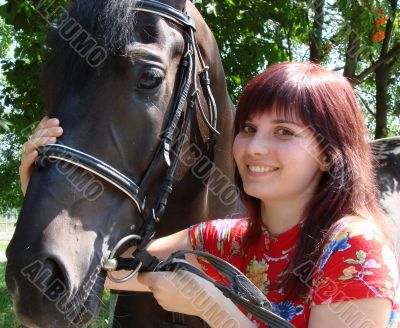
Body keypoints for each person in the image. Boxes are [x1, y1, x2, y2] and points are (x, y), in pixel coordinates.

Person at [19, 62, 399, 327]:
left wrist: (216, 310)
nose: (254, 148)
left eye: (284, 132)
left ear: (330, 153)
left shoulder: (353, 249)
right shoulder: (228, 240)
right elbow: (116, 271)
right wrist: (46, 193)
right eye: (249, 128)